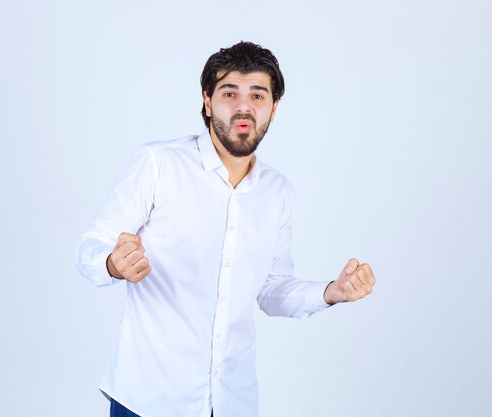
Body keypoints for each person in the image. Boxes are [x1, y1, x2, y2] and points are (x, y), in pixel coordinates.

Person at [75, 41, 376, 417]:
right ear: (207, 100)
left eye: (258, 95)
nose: (243, 106)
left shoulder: (277, 191)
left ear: (274, 108)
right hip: (149, 398)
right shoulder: (158, 164)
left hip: (233, 401)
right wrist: (111, 263)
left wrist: (331, 292)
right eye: (229, 92)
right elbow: (92, 247)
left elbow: (272, 288)